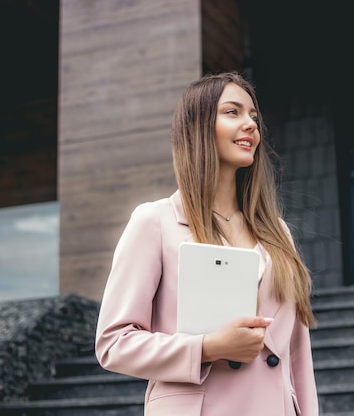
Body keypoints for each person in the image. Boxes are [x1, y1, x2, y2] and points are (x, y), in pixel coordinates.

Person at [95, 71, 319, 416]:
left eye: (254, 117)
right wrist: (207, 347)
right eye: (233, 112)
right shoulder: (155, 222)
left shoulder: (277, 233)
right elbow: (114, 343)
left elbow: (297, 355)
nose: (250, 125)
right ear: (198, 127)